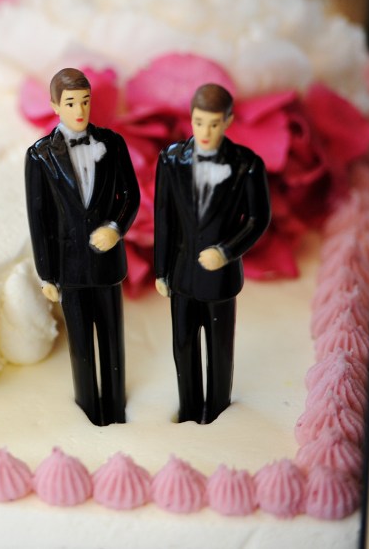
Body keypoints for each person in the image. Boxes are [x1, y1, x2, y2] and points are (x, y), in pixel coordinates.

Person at [25, 68, 140, 426]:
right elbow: (39, 219)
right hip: (69, 268)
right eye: (71, 103)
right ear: (55, 106)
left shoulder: (113, 143)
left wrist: (116, 228)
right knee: (81, 347)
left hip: (107, 264)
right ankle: (89, 409)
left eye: (86, 102)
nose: (80, 110)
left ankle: (116, 407)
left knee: (112, 340)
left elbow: (131, 195)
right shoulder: (40, 156)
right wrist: (46, 273)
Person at [154, 83, 271, 424]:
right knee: (184, 347)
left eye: (214, 124)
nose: (205, 131)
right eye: (199, 122)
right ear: (190, 118)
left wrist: (226, 251)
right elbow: (164, 218)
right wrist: (161, 271)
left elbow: (257, 219)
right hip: (180, 275)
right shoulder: (171, 159)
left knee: (219, 353)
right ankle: (189, 411)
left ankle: (218, 413)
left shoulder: (247, 165)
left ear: (228, 121)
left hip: (220, 279)